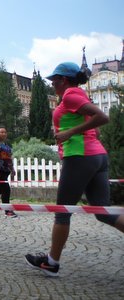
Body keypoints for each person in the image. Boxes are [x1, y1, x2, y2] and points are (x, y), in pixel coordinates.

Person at [25, 62, 124, 277]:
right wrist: (83, 132)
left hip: (80, 157)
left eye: (54, 80)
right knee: (103, 212)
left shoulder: (71, 95)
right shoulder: (79, 94)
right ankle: (52, 261)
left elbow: (102, 117)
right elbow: (95, 127)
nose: (52, 85)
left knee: (63, 212)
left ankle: (52, 262)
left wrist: (70, 133)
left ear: (65, 80)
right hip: (97, 156)